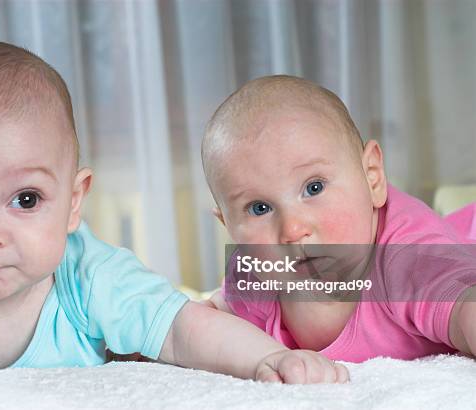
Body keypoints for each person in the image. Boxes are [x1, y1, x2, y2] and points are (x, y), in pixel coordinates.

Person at [0, 42, 347, 383]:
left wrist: (270, 360)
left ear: (74, 202)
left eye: (25, 200)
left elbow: (182, 329)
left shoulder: (89, 277)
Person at [201, 75, 476, 362]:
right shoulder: (255, 273)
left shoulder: (411, 259)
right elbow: (216, 316)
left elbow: (464, 306)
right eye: (259, 208)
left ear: (372, 177)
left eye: (313, 188)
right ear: (229, 227)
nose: (293, 229)